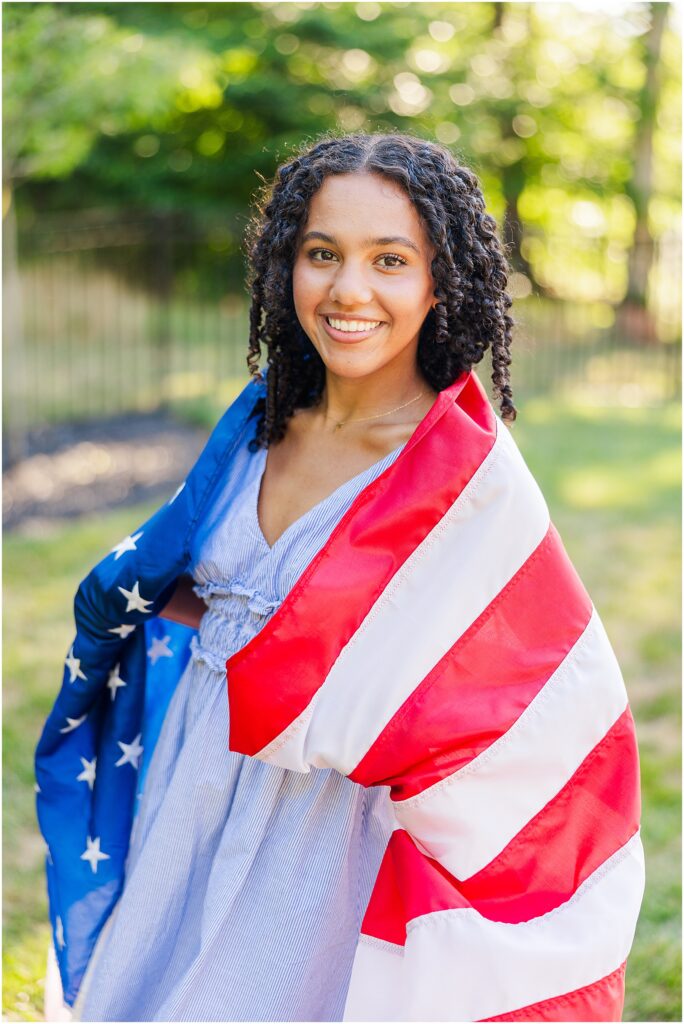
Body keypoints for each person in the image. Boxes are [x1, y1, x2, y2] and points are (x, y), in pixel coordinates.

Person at [36, 132, 643, 1023]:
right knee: (158, 980)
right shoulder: (258, 421)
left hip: (327, 825)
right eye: (322, 254)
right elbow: (235, 592)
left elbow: (521, 698)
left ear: (442, 281)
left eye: (389, 260)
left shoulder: (461, 477)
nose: (348, 290)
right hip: (199, 770)